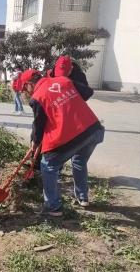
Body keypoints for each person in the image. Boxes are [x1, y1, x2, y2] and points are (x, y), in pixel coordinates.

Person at [19, 63, 104, 217]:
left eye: (25, 89)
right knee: (79, 161)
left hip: (72, 135)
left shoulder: (38, 97)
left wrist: (35, 142)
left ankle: (53, 207)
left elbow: (39, 124)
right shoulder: (63, 81)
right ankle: (83, 197)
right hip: (93, 130)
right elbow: (87, 92)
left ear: (30, 84)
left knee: (48, 165)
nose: (26, 92)